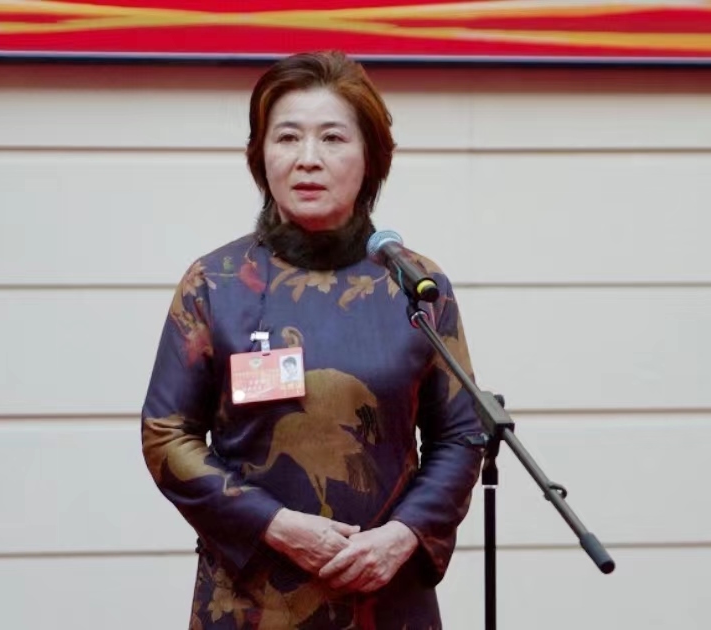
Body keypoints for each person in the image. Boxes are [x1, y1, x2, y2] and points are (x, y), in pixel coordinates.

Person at [141, 50, 484, 629]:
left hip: (385, 593)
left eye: (332, 138)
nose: (307, 159)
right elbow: (166, 433)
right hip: (253, 599)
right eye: (287, 138)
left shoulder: (416, 286)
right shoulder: (216, 283)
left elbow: (462, 433)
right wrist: (274, 525)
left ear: (371, 158)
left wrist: (402, 536)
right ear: (261, 156)